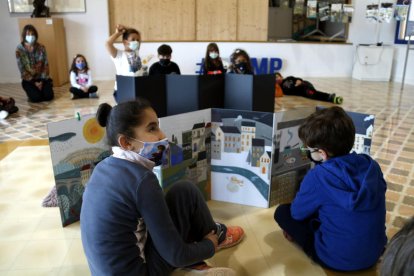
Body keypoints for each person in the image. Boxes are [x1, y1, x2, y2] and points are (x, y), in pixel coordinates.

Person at [81, 99, 245, 275]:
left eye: (158, 126)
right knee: (185, 197)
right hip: (143, 271)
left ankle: (210, 236)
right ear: (126, 143)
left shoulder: (103, 167)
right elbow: (176, 255)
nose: (162, 135)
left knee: (183, 191)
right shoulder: (142, 180)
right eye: (152, 128)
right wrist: (209, 246)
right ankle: (213, 240)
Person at [274, 106, 387, 272]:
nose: (306, 152)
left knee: (282, 212)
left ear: (322, 153)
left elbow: (297, 213)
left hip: (335, 259)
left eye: (308, 150)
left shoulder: (318, 176)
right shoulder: (372, 166)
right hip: (374, 254)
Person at [106, 24, 146, 103]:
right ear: (125, 42)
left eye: (138, 40)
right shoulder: (119, 55)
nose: (136, 42)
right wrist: (118, 33)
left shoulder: (136, 54)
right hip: (122, 89)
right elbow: (108, 43)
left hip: (136, 88)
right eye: (133, 39)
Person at [16, 24, 54, 103]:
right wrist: (34, 82)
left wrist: (42, 81)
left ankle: (44, 87)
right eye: (28, 34)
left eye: (32, 34)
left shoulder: (41, 47)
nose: (31, 36)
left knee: (49, 96)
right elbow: (22, 69)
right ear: (24, 35)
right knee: (36, 98)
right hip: (29, 80)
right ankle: (33, 92)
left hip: (42, 78)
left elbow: (45, 65)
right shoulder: (19, 49)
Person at [275, 72, 343, 104]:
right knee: (312, 94)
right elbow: (279, 94)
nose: (277, 79)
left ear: (281, 76)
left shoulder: (288, 78)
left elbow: (298, 79)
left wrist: (299, 81)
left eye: (277, 77)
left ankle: (330, 97)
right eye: (275, 79)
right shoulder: (281, 89)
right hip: (303, 92)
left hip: (304, 84)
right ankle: (331, 97)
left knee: (312, 93)